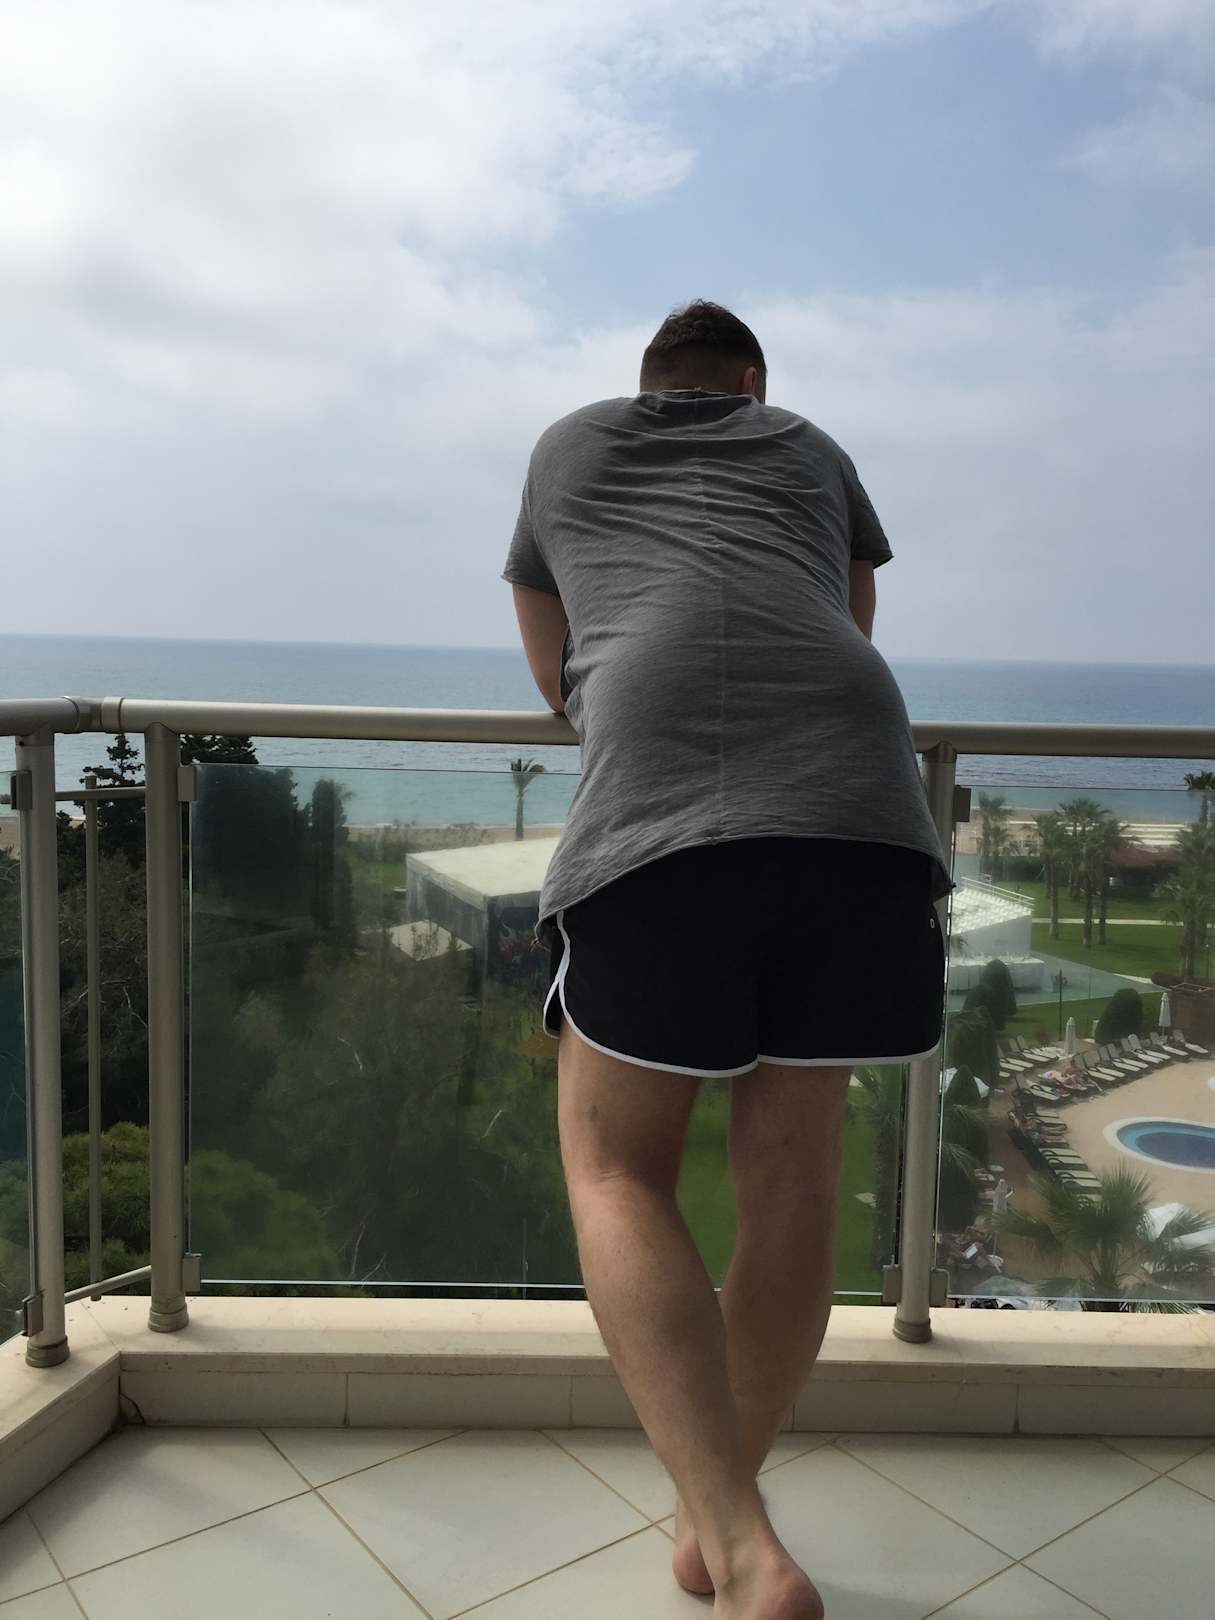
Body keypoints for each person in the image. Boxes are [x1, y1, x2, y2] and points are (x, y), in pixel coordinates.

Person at [502, 299, 954, 1619]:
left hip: (662, 801)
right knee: (793, 1180)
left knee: (617, 1169)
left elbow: (556, 669)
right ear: (750, 383)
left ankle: (741, 1544)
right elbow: (851, 614)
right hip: (858, 800)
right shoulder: (805, 443)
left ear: (649, 381)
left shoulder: (568, 445)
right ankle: (724, 1527)